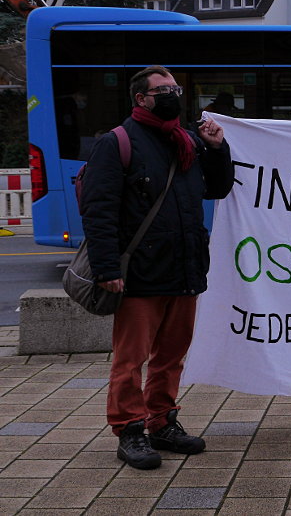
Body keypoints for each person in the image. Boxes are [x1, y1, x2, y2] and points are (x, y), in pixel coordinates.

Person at [80, 65, 234, 469]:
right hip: (139, 274)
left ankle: (161, 422)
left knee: (171, 355)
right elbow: (98, 212)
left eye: (175, 88)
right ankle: (129, 430)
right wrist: (107, 268)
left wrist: (217, 149)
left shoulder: (186, 141)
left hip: (183, 268)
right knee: (130, 359)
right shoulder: (117, 143)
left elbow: (216, 188)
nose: (173, 95)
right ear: (141, 99)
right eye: (163, 90)